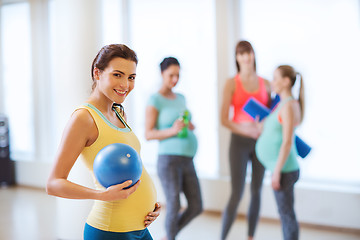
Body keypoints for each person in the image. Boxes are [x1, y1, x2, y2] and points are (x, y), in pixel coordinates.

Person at [46, 44, 161, 240]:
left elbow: (130, 165)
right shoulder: (84, 118)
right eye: (117, 75)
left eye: (131, 77)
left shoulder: (119, 112)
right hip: (111, 230)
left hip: (139, 226)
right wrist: (101, 195)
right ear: (97, 73)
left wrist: (149, 204)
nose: (125, 84)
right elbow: (53, 184)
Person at [145, 57, 203, 240]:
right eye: (171, 75)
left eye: (177, 75)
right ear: (162, 73)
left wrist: (188, 125)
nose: (175, 80)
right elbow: (149, 133)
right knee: (175, 203)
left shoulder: (181, 98)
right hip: (168, 160)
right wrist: (172, 130)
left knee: (196, 205)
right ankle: (170, 237)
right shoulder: (155, 99)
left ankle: (168, 236)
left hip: (188, 159)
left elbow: (182, 121)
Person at [220, 40, 271, 240]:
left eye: (248, 52)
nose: (246, 57)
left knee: (257, 190)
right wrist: (245, 129)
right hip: (239, 143)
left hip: (261, 142)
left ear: (253, 55)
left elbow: (272, 115)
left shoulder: (266, 83)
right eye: (241, 54)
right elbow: (224, 119)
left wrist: (262, 126)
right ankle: (222, 237)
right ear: (237, 58)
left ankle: (250, 236)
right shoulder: (231, 83)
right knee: (237, 193)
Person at [255, 65, 304, 240]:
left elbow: (287, 142)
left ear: (286, 81)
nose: (272, 82)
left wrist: (276, 172)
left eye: (276, 78)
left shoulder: (289, 105)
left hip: (284, 169)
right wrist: (263, 127)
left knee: (286, 215)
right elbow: (276, 130)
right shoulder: (283, 104)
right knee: (285, 214)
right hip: (282, 168)